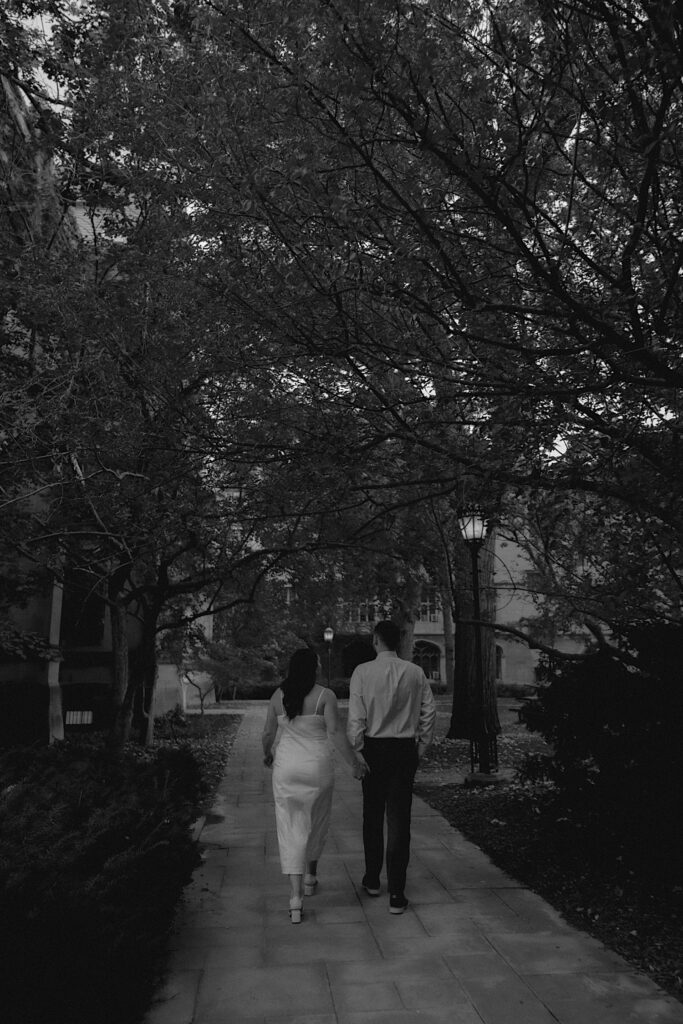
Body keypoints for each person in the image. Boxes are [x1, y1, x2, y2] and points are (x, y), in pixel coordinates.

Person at [262, 647, 367, 923]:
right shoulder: (325, 695)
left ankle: (295, 898)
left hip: (287, 770)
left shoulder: (277, 696)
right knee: (316, 822)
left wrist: (267, 753)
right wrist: (355, 764)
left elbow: (268, 733)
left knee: (291, 827)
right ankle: (310, 876)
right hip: (318, 769)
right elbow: (334, 733)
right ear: (313, 668)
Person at [347, 620, 436, 914]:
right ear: (399, 640)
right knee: (399, 820)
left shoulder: (362, 672)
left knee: (372, 816)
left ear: (375, 639)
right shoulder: (415, 672)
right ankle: (397, 892)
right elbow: (428, 712)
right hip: (403, 749)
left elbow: (356, 715)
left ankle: (373, 879)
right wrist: (420, 747)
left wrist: (357, 751)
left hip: (374, 747)